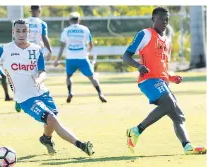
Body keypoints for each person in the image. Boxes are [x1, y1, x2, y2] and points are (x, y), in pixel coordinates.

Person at [0, 20, 95, 156]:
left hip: (43, 92)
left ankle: (46, 139)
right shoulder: (4, 50)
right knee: (52, 118)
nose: (21, 34)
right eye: (18, 31)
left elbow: (42, 72)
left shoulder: (36, 50)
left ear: (28, 32)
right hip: (25, 98)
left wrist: (40, 79)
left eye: (24, 31)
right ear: (13, 32)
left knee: (51, 121)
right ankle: (81, 145)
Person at [123, 7, 206, 155]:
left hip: (161, 82)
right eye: (161, 18)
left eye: (166, 19)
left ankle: (187, 146)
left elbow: (162, 67)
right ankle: (136, 131)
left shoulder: (167, 41)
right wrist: (138, 66)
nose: (164, 22)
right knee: (169, 103)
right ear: (153, 19)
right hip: (147, 81)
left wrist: (172, 77)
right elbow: (126, 56)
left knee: (179, 116)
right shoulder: (145, 34)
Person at [54, 12, 106, 103]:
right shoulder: (85, 29)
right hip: (82, 57)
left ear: (70, 20)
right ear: (79, 20)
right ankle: (100, 93)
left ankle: (70, 92)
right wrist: (87, 52)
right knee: (92, 77)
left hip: (70, 58)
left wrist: (57, 59)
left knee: (68, 76)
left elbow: (62, 46)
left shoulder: (65, 31)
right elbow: (91, 44)